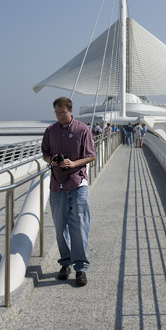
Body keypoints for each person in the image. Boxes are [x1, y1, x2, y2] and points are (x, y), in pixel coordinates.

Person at [41, 97, 96, 287]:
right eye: (56, 113)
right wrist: (52, 161)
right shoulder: (50, 131)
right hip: (57, 185)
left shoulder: (82, 130)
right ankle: (65, 263)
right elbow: (45, 154)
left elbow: (91, 156)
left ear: (70, 111)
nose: (59, 116)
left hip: (77, 183)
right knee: (59, 228)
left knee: (79, 225)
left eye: (62, 113)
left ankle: (80, 267)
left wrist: (73, 163)